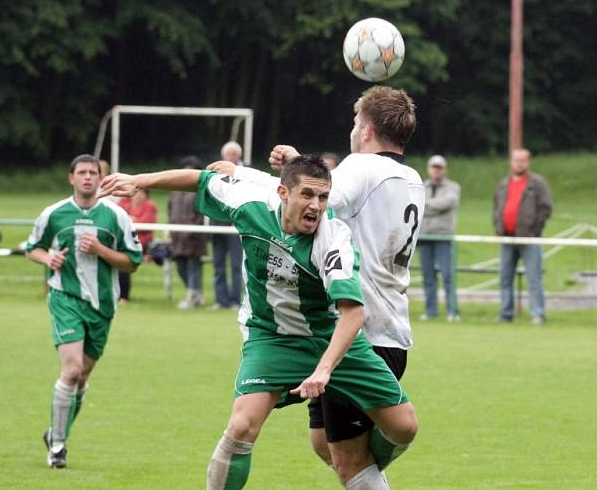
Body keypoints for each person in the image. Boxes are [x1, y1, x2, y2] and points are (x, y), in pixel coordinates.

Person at [100, 155, 418, 489]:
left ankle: (365, 472)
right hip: (272, 337)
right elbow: (201, 178)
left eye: (323, 197)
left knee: (404, 427)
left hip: (330, 338)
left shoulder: (334, 238)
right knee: (240, 427)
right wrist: (139, 180)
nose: (317, 206)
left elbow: (353, 314)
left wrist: (323, 370)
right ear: (283, 193)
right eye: (307, 195)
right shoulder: (249, 203)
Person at [219, 86, 423, 485]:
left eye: (354, 122)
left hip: (356, 334)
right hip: (393, 327)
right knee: (323, 443)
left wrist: (238, 177)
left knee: (351, 462)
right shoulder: (411, 178)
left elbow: (313, 197)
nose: (352, 130)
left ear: (365, 130)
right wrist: (296, 161)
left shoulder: (361, 167)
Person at [26, 154, 142, 468]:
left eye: (93, 172)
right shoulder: (54, 213)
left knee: (81, 378)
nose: (88, 177)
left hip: (102, 306)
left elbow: (133, 262)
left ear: (101, 178)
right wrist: (48, 260)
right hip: (65, 298)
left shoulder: (116, 216)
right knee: (72, 369)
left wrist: (101, 250)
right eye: (82, 172)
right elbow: (32, 247)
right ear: (71, 178)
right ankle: (58, 448)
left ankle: (55, 432)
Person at [492, 148, 553, 325]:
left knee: (534, 278)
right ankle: (506, 313)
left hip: (529, 239)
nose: (519, 163)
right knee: (504, 278)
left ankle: (537, 314)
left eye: (522, 160)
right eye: (516, 160)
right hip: (507, 238)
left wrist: (534, 230)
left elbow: (546, 207)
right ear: (511, 162)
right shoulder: (504, 184)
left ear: (528, 162)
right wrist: (498, 226)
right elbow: (496, 207)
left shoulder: (537, 183)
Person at [418, 155, 461, 322]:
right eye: (433, 167)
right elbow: (417, 203)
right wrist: (433, 206)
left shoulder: (453, 187)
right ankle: (430, 311)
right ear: (429, 169)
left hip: (444, 237)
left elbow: (448, 203)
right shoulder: (421, 186)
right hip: (424, 237)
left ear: (444, 169)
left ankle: (453, 311)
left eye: (439, 167)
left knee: (448, 275)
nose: (436, 170)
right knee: (428, 277)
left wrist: (426, 205)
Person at [169, 155, 207, 309]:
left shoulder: (200, 192)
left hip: (194, 237)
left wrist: (191, 230)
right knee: (180, 267)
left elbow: (203, 215)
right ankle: (195, 293)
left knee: (193, 266)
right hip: (177, 237)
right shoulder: (175, 192)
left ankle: (192, 296)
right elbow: (170, 211)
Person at [210, 141, 244, 309]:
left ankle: (235, 300)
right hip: (217, 226)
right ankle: (220, 300)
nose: (231, 157)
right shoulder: (214, 175)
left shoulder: (247, 174)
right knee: (218, 265)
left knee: (237, 266)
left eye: (233, 154)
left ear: (239, 156)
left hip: (237, 228)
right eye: (228, 154)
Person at [118, 188, 158, 302]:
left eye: (142, 193)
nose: (138, 196)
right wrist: (133, 221)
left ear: (146, 195)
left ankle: (123, 297)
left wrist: (130, 221)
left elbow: (147, 223)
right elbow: (118, 220)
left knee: (124, 261)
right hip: (124, 242)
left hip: (142, 244)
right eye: (136, 192)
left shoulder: (150, 206)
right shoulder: (124, 204)